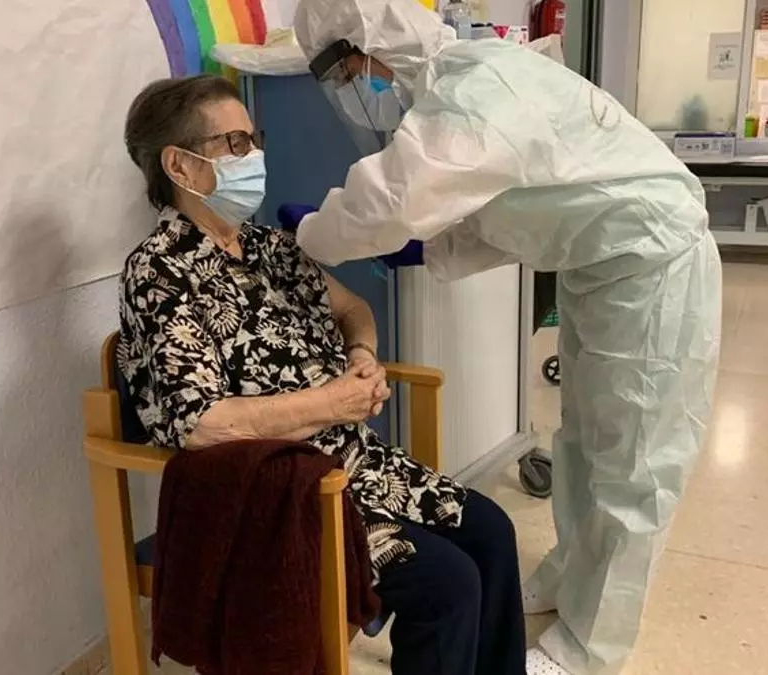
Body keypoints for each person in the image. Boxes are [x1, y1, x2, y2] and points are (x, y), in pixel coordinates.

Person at [282, 1, 723, 674]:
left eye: (346, 73)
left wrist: (314, 232)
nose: (352, 90)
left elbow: (393, 200)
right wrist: (426, 251)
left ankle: (588, 650)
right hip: (600, 267)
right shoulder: (453, 89)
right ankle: (570, 575)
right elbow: (507, 211)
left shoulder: (474, 93)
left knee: (636, 466)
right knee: (585, 441)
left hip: (653, 269)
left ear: (373, 45)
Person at [119, 74, 528, 675]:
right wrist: (333, 402)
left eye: (253, 140)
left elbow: (352, 309)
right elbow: (201, 422)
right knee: (447, 584)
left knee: (491, 531)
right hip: (280, 496)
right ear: (179, 164)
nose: (254, 156)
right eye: (235, 144)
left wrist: (362, 355)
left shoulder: (269, 248)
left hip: (356, 463)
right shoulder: (160, 272)